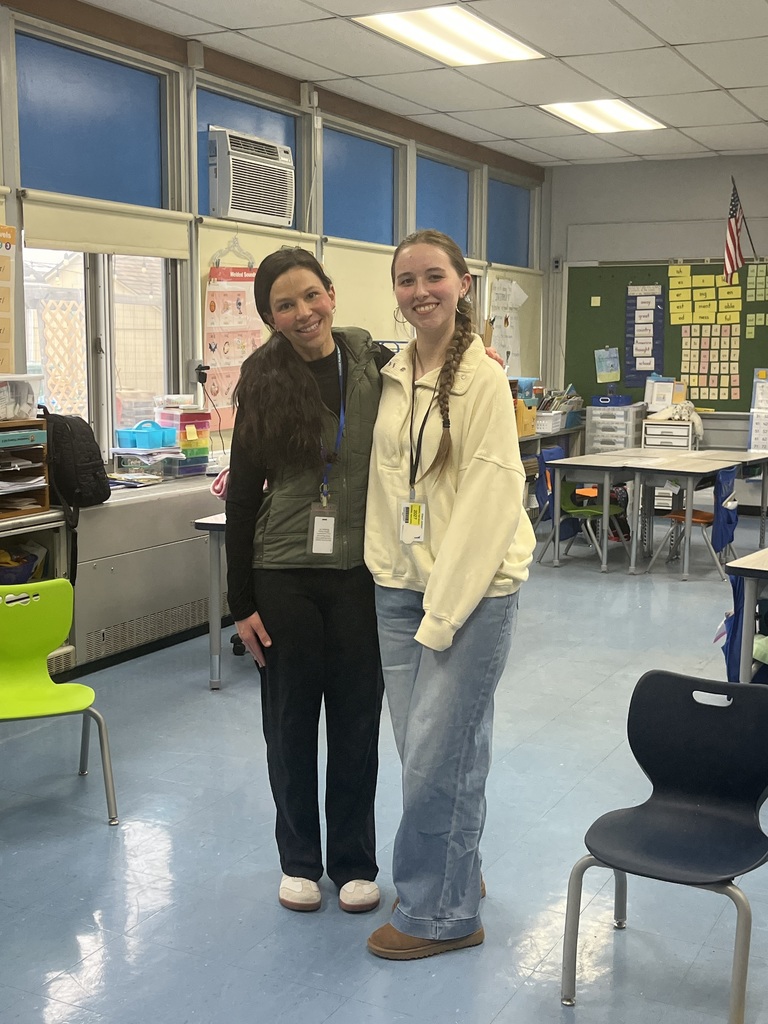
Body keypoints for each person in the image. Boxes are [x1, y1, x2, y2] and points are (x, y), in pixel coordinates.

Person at [364, 229, 537, 960]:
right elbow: (389, 482)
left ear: (463, 283)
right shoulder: (395, 371)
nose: (419, 291)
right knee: (435, 753)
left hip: (467, 596)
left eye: (434, 276)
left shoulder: (484, 379)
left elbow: (490, 499)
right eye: (406, 280)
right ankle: (456, 872)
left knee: (441, 757)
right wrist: (384, 568)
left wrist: (444, 612)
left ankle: (440, 915)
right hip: (400, 588)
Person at [225, 247, 387, 915]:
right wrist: (241, 604)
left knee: (356, 724)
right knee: (290, 725)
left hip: (359, 572)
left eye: (309, 296)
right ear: (270, 317)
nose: (302, 313)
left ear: (332, 294)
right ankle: (298, 860)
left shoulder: (375, 363)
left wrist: (482, 359)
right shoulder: (261, 379)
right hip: (283, 574)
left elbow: (443, 367)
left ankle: (353, 862)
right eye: (284, 306)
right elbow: (240, 497)